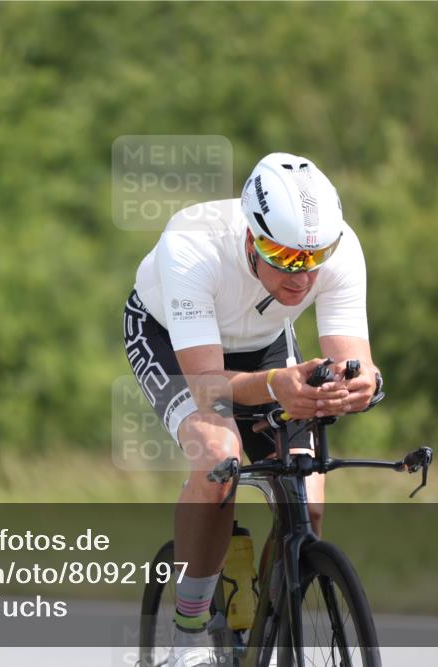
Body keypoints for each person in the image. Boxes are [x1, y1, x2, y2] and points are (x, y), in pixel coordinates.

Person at [123, 152, 381, 666]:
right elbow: (207, 387)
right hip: (174, 341)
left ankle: (272, 614)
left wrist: (360, 386)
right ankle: (190, 630)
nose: (302, 279)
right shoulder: (193, 246)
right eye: (286, 260)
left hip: (263, 344)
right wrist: (275, 386)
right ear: (250, 239)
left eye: (314, 261)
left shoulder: (338, 251)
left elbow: (356, 362)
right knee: (220, 457)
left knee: (306, 493)